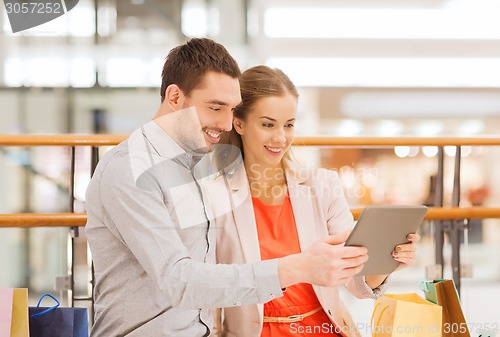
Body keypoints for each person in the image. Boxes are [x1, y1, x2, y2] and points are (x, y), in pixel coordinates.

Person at [85, 38, 370, 337]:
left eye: (231, 109)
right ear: (174, 96)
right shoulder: (129, 169)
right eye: (215, 107)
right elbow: (180, 281)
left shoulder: (195, 169)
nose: (225, 123)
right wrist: (297, 267)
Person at [213, 65, 421, 337]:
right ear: (238, 123)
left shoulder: (321, 186)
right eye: (268, 124)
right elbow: (209, 291)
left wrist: (387, 261)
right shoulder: (214, 197)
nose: (281, 137)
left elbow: (356, 283)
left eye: (289, 125)